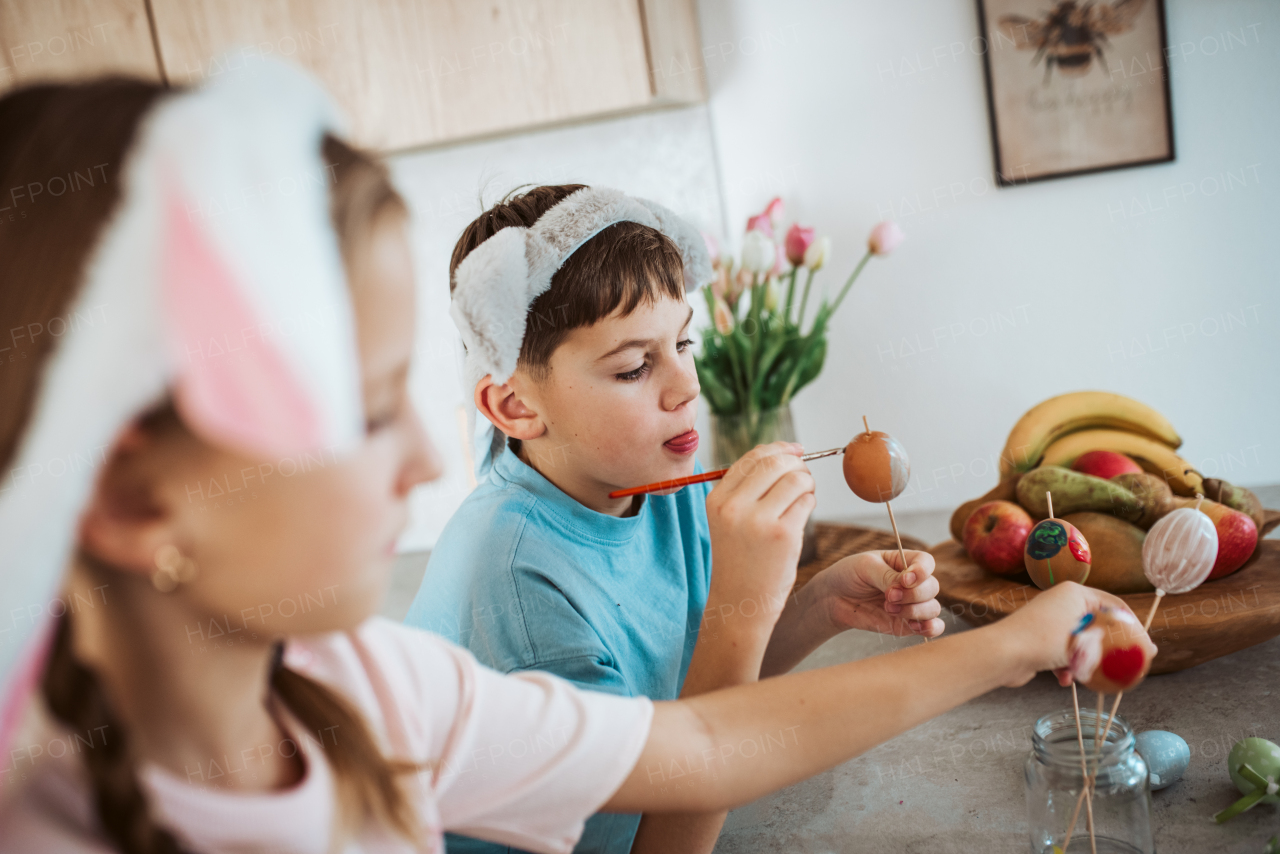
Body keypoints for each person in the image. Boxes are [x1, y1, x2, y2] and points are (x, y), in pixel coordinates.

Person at [0, 67, 1133, 854]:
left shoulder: (373, 689)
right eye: (348, 407)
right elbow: (683, 767)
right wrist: (750, 611)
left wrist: (844, 611)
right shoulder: (503, 579)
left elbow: (687, 732)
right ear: (134, 492)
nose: (412, 459)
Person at [405, 184, 948, 853]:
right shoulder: (516, 583)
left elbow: (689, 687)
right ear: (516, 407)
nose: (687, 386)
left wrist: (822, 604)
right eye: (635, 367)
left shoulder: (658, 480)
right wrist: (745, 604)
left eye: (683, 343)